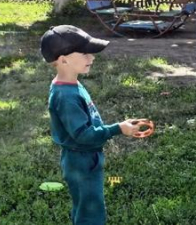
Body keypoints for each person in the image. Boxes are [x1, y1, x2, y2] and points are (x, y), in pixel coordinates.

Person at [40, 25, 143, 225]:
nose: (92, 58)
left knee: (86, 204)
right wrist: (118, 128)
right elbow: (84, 135)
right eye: (85, 53)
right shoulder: (66, 96)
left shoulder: (71, 83)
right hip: (81, 160)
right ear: (63, 60)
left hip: (85, 157)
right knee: (91, 211)